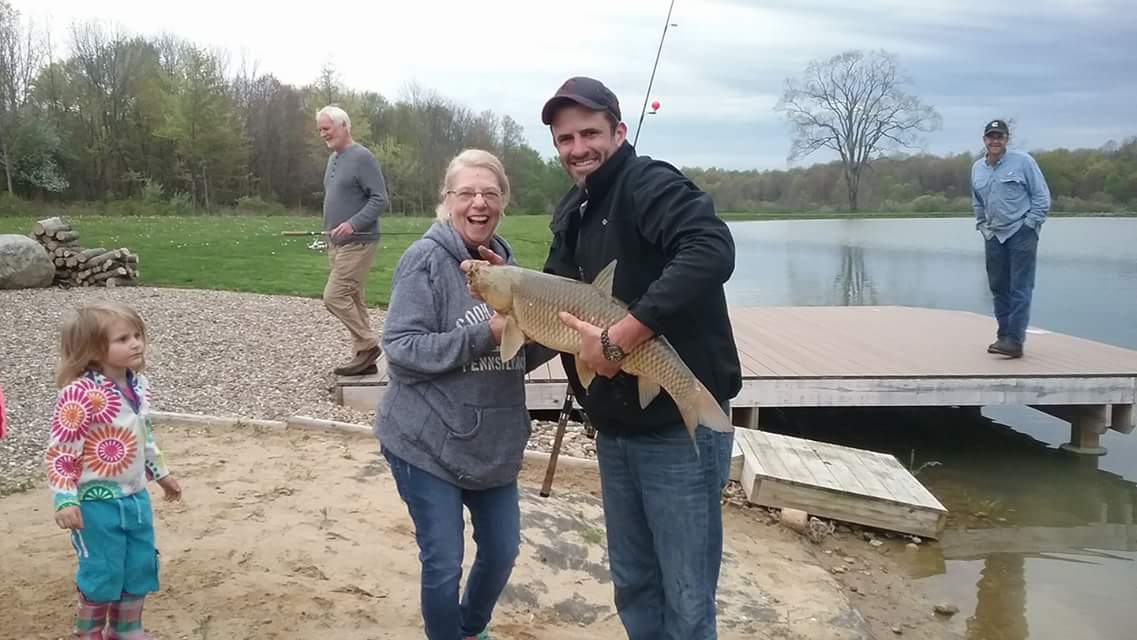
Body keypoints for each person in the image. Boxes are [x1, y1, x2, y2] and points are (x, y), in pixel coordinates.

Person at [539, 76, 741, 639]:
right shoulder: (572, 209)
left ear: (619, 130)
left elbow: (711, 248)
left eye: (590, 133)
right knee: (632, 581)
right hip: (616, 427)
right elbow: (552, 300)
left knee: (686, 595)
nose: (578, 148)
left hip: (679, 428)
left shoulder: (648, 182)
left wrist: (622, 336)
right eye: (565, 139)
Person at [374, 149, 553, 640]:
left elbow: (514, 357)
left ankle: (470, 629)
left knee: (501, 550)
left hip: (490, 443)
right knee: (444, 560)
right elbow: (402, 350)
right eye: (467, 193)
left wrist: (548, 339)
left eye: (490, 194)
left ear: (503, 203)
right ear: (447, 201)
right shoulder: (424, 261)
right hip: (424, 441)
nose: (479, 203)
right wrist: (487, 334)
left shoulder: (507, 264)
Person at [46, 302, 182, 639]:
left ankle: (126, 629)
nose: (136, 343)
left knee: (140, 566)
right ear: (91, 350)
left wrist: (161, 474)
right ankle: (89, 632)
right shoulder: (80, 394)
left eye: (137, 335)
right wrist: (65, 498)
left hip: (135, 497)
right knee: (103, 570)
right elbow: (62, 450)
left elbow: (143, 435)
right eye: (122, 338)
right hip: (95, 503)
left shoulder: (137, 385)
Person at [317, 105, 390, 376]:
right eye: (320, 130)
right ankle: (364, 360)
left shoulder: (362, 157)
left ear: (344, 125)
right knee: (354, 298)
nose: (323, 134)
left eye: (327, 128)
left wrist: (352, 224)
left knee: (334, 296)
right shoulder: (333, 158)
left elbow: (380, 199)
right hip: (337, 244)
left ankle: (370, 345)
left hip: (359, 241)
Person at [971, 119, 1051, 358]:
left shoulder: (1023, 162)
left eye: (1000, 136)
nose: (995, 141)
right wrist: (983, 226)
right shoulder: (977, 168)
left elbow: (1041, 197)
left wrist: (1029, 225)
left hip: (1021, 233)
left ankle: (1015, 341)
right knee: (998, 287)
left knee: (1020, 287)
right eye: (991, 136)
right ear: (984, 140)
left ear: (1007, 139)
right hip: (993, 234)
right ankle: (1003, 336)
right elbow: (977, 201)